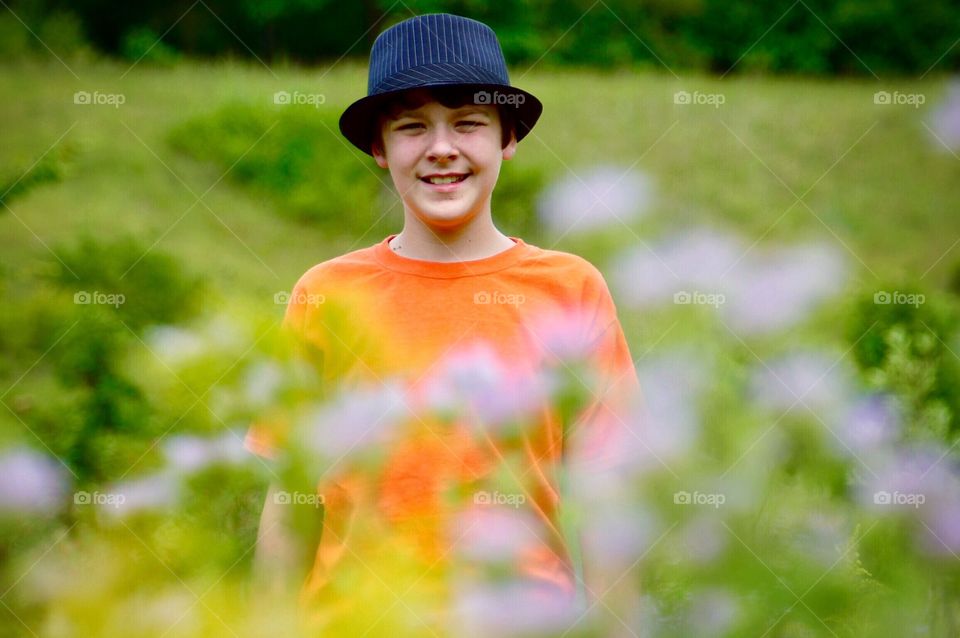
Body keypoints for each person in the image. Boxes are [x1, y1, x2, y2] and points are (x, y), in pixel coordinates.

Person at [246, 12, 643, 634]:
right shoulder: (325, 294)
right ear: (379, 148)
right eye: (411, 127)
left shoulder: (571, 289)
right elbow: (291, 499)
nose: (441, 148)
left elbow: (606, 498)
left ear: (507, 137)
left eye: (468, 123)